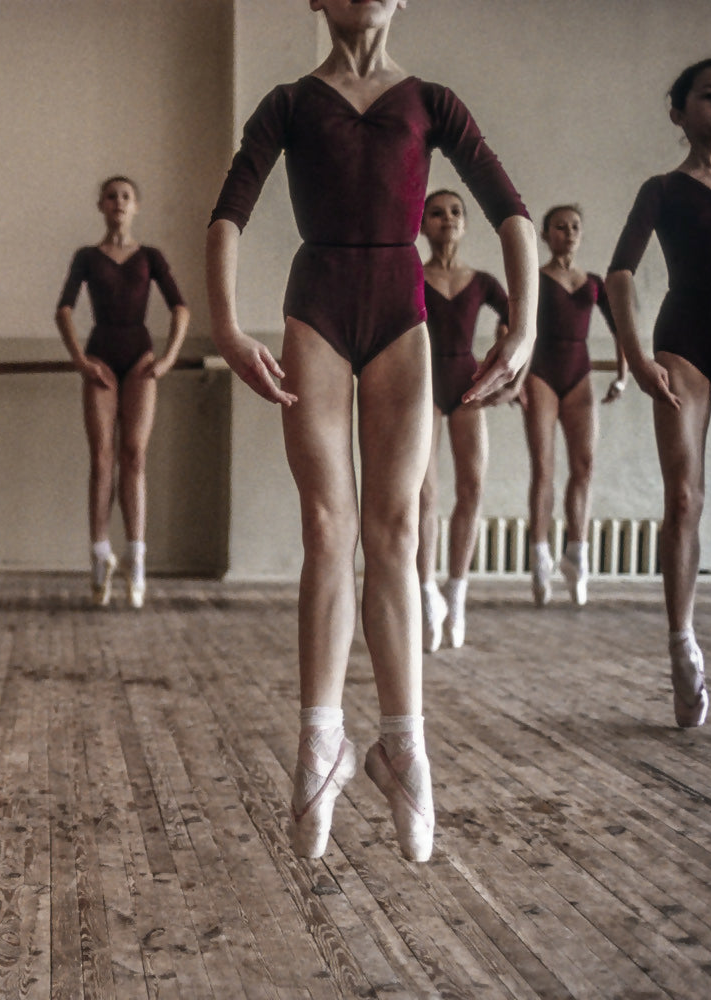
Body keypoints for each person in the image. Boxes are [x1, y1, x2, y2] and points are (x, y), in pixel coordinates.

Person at [205, 0, 537, 861]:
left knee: (395, 532)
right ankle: (322, 741)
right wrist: (228, 327)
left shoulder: (431, 100)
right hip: (314, 304)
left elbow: (509, 206)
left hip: (401, 313)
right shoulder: (288, 100)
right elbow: (229, 211)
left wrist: (526, 325)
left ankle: (402, 743)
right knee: (328, 526)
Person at [607, 57, 711, 735]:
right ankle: (682, 649)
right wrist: (636, 356)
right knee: (683, 497)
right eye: (708, 95)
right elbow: (618, 274)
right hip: (682, 344)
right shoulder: (663, 190)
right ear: (679, 112)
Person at [55, 176, 190, 609]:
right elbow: (64, 308)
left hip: (139, 358)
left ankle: (135, 557)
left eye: (126, 197)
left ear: (136, 206)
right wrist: (79, 358)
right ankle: (99, 556)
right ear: (100, 204)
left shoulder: (150, 256)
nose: (118, 202)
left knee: (134, 455)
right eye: (111, 196)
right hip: (100, 357)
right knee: (102, 458)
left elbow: (180, 307)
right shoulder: (87, 257)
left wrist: (168, 358)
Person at [417, 189, 512, 651]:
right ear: (422, 226)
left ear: (466, 223)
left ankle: (456, 593)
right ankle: (425, 593)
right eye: (436, 213)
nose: (447, 220)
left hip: (468, 385)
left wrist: (509, 380)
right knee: (425, 495)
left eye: (455, 212)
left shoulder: (483, 281)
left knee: (471, 489)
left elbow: (520, 323)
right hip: (423, 386)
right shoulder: (412, 275)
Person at [522, 205, 627, 608]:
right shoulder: (536, 280)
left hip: (579, 375)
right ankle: (539, 554)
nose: (568, 233)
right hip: (542, 374)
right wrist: (518, 383)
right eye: (560, 227)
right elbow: (519, 329)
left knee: (584, 467)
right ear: (547, 235)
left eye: (574, 227)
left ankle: (576, 554)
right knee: (544, 469)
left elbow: (620, 328)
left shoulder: (594, 283)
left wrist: (622, 375)